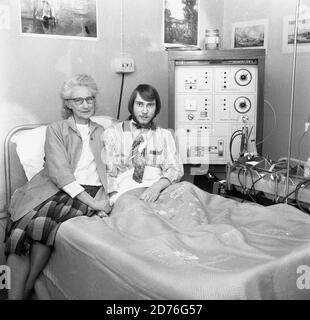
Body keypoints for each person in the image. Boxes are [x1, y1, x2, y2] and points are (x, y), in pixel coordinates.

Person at [5, 74, 111, 300]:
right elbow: (59, 171)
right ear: (68, 105)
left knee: (43, 225)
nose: (85, 105)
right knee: (20, 230)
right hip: (54, 187)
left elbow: (112, 169)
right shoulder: (56, 129)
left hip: (88, 189)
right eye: (79, 100)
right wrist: (92, 203)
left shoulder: (103, 132)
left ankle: (27, 287)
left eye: (89, 99)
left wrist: (104, 199)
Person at [103, 84, 184, 204]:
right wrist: (113, 199)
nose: (145, 111)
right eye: (140, 104)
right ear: (132, 105)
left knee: (186, 192)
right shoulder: (113, 134)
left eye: (150, 105)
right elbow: (108, 172)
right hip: (126, 190)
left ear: (156, 108)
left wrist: (157, 187)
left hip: (158, 188)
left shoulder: (164, 135)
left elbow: (175, 169)